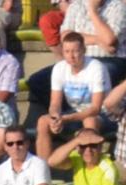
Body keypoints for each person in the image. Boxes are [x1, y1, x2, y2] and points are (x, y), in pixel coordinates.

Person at [35, 31, 108, 160]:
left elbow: (95, 108)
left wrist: (66, 119)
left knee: (89, 120)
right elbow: (55, 103)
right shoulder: (59, 68)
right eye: (67, 51)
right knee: (43, 121)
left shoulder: (96, 68)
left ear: (84, 50)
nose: (71, 56)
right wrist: (55, 117)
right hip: (74, 113)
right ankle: (43, 167)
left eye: (75, 51)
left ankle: (90, 164)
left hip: (103, 114)